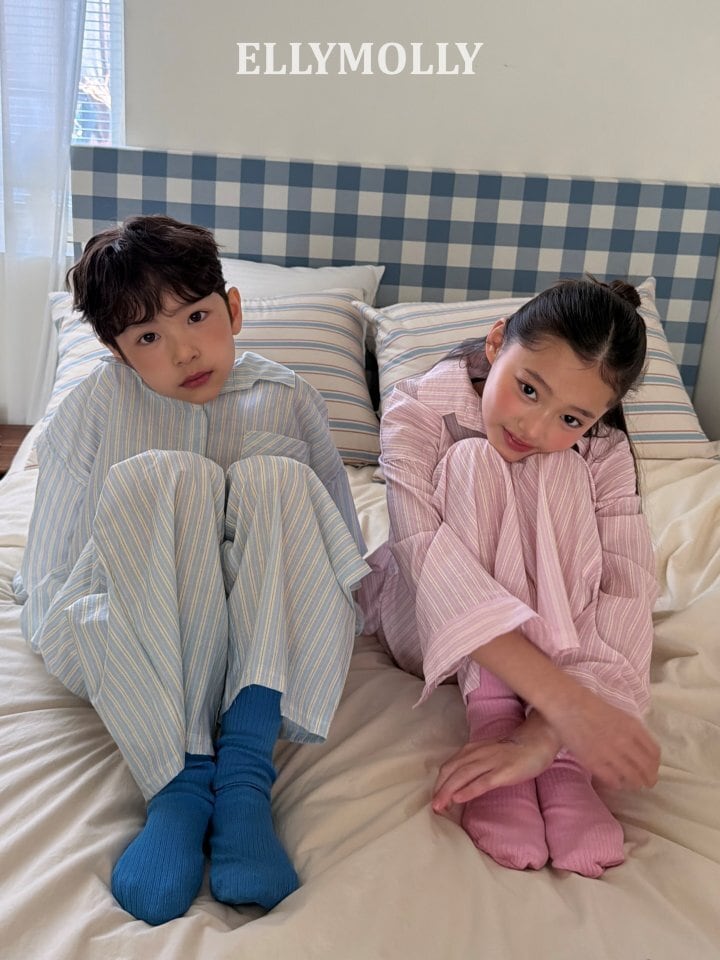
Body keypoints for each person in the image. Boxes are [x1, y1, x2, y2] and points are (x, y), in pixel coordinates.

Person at [13, 215, 370, 924]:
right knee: (163, 478)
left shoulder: (289, 397)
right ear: (117, 353)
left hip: (264, 635)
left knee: (279, 479)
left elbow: (334, 538)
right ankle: (177, 785)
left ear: (232, 309)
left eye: (197, 317)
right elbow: (52, 561)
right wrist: (89, 641)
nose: (183, 351)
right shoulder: (95, 406)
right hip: (147, 629)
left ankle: (243, 780)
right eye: (147, 338)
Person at [359, 277, 661, 878]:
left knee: (561, 469)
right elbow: (425, 560)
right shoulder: (417, 409)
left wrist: (547, 736)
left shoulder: (602, 451)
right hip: (430, 624)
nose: (535, 427)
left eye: (571, 417)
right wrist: (569, 704)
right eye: (528, 389)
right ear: (497, 342)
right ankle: (493, 716)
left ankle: (561, 769)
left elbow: (627, 587)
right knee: (476, 459)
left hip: (560, 659)